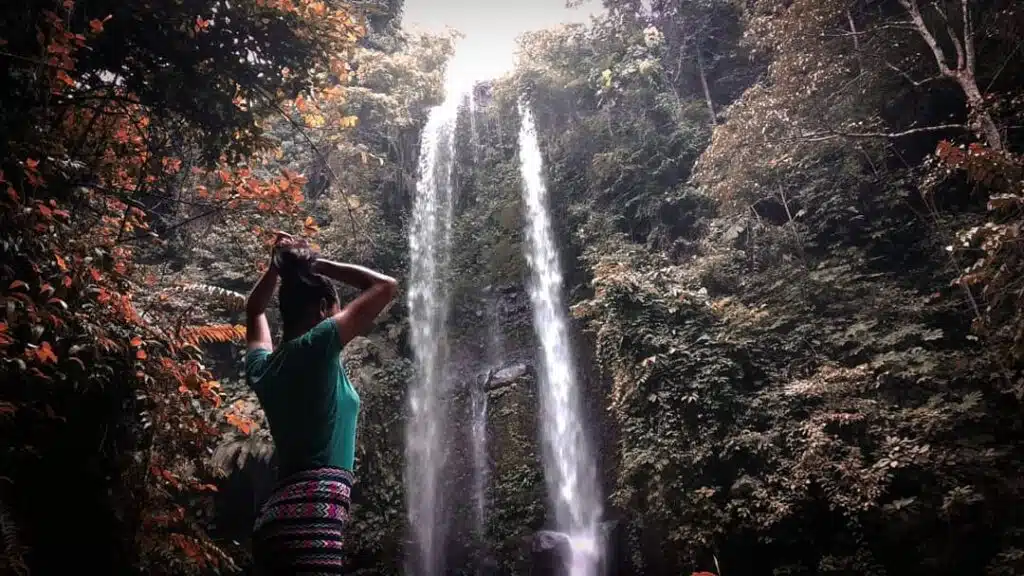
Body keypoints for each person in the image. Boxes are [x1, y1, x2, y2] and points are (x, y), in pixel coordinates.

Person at [244, 231, 397, 575]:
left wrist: (276, 269)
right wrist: (316, 263)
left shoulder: (263, 369)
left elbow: (254, 310)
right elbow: (384, 286)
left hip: (276, 520)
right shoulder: (318, 344)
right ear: (324, 310)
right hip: (311, 522)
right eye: (337, 311)